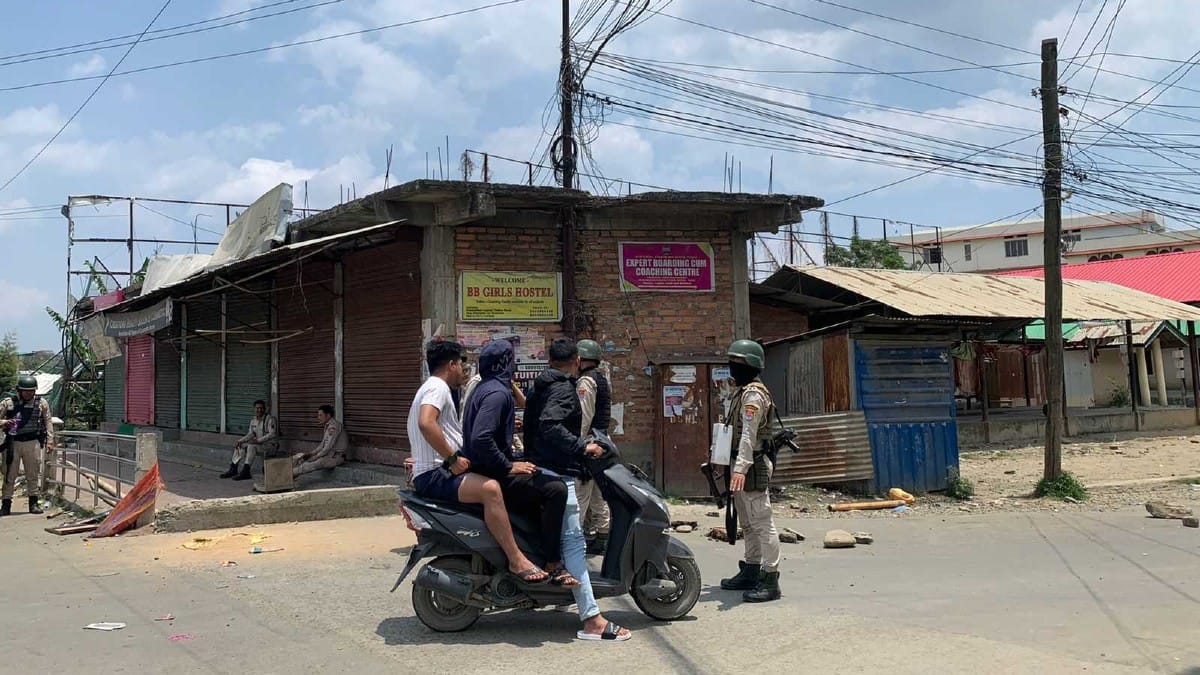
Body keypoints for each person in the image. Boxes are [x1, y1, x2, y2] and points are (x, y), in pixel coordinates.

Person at [483, 338, 629, 642]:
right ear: (576, 361)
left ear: (550, 360)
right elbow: (551, 425)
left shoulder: (541, 384)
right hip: (557, 472)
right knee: (574, 544)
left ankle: (562, 596)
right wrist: (582, 446)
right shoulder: (563, 388)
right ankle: (592, 619)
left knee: (567, 540)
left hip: (539, 466)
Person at [408, 340, 546, 583]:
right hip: (435, 473)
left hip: (434, 469)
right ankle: (516, 560)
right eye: (461, 364)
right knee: (491, 489)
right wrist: (452, 458)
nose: (463, 371)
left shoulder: (430, 387)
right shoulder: (437, 388)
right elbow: (426, 423)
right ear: (451, 365)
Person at [461, 339, 569, 585]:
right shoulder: (498, 394)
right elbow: (481, 438)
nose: (514, 366)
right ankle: (553, 562)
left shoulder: (486, 388)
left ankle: (533, 547)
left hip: (486, 467)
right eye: (511, 360)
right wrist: (509, 466)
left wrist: (510, 428)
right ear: (504, 363)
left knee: (539, 477)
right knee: (556, 490)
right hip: (492, 472)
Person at [718, 339, 783, 603]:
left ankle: (770, 578)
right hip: (739, 464)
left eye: (737, 363)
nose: (732, 367)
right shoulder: (741, 392)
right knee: (746, 522)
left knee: (762, 522)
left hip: (752, 465)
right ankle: (752, 568)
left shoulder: (754, 396)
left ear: (751, 365)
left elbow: (748, 434)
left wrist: (741, 468)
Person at [575, 339, 613, 555]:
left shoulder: (586, 382)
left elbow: (584, 418)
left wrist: (577, 446)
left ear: (579, 359)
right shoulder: (600, 378)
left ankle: (574, 541)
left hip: (589, 443)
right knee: (599, 493)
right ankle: (603, 535)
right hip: (602, 441)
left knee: (580, 495)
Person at [1, 376, 52, 516]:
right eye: (25, 391)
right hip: (13, 442)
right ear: (19, 390)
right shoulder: (8, 403)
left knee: (33, 473)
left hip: (32, 442)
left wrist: (50, 441)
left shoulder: (41, 403)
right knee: (9, 474)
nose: (28, 393)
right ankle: (6, 504)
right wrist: (5, 422)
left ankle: (33, 503)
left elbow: (48, 422)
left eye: (31, 391)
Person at [221, 400, 278, 481]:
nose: (259, 410)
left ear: (265, 409)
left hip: (270, 446)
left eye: (261, 408)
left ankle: (246, 471)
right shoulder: (253, 421)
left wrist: (258, 440)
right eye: (257, 408)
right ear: (254, 409)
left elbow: (272, 434)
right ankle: (233, 469)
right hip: (260, 445)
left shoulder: (270, 419)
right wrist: (240, 441)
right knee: (240, 446)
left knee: (251, 446)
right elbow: (251, 434)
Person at [292, 405, 347, 477]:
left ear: (328, 415)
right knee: (300, 457)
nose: (318, 418)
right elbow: (322, 445)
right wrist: (311, 454)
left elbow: (327, 448)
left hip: (336, 457)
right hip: (328, 455)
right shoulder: (328, 426)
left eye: (321, 415)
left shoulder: (334, 426)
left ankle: (289, 475)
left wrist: (316, 457)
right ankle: (288, 472)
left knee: (313, 464)